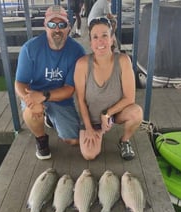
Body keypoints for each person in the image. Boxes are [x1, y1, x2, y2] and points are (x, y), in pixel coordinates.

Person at [14, 5, 85, 160]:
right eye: (52, 24)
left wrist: (44, 96)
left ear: (69, 27)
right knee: (33, 111)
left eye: (62, 25)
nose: (57, 29)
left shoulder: (77, 51)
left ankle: (50, 117)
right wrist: (30, 99)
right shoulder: (30, 48)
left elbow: (69, 89)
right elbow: (20, 83)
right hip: (35, 94)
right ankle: (41, 140)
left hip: (60, 98)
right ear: (45, 26)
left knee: (73, 140)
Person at [74, 17, 143, 161]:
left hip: (114, 114)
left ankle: (124, 140)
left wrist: (107, 114)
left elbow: (129, 98)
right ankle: (95, 131)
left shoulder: (123, 61)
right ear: (91, 43)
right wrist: (89, 129)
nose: (100, 41)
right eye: (95, 37)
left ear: (112, 39)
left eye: (105, 35)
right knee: (89, 154)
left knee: (136, 113)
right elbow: (80, 100)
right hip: (91, 119)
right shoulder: (82, 64)